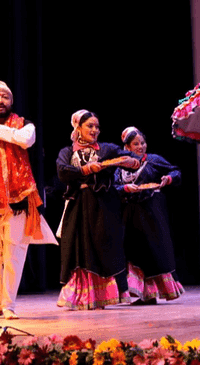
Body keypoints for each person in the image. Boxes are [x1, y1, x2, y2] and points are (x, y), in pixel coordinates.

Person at [0, 81, 57, 320]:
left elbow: (25, 140)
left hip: (17, 200)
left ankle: (9, 305)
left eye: (5, 97)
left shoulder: (23, 124)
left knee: (14, 255)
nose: (0, 101)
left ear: (11, 101)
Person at [56, 110, 141, 310]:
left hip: (104, 205)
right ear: (78, 128)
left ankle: (105, 295)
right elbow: (62, 171)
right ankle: (83, 297)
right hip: (78, 206)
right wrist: (85, 169)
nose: (95, 130)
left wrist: (131, 161)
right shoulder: (68, 152)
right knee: (80, 249)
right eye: (90, 126)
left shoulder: (107, 149)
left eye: (97, 127)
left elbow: (129, 157)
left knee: (105, 247)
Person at [114, 127, 185, 305]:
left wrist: (167, 179)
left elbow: (176, 171)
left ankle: (153, 293)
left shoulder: (153, 160)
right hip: (130, 214)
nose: (141, 146)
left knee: (153, 252)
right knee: (134, 253)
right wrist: (124, 188)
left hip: (151, 213)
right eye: (136, 144)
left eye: (143, 143)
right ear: (127, 147)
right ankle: (143, 294)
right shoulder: (120, 167)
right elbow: (113, 187)